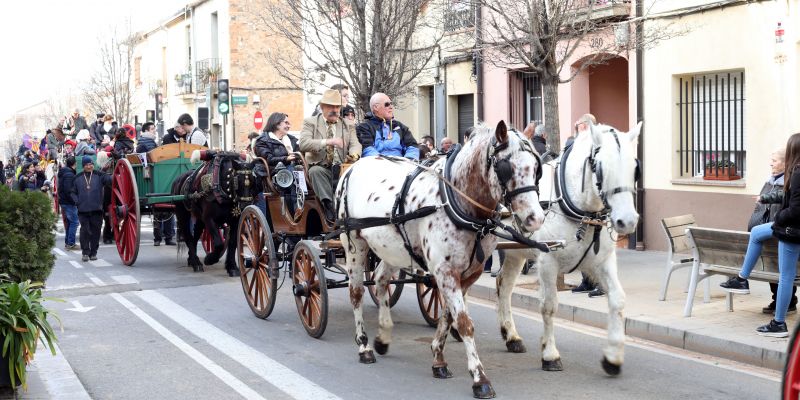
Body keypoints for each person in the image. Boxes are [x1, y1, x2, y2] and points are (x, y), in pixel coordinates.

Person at [720, 133, 800, 337]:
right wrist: (767, 199)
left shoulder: (798, 172)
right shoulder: (795, 172)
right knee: (756, 232)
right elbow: (788, 195)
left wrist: (780, 218)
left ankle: (779, 324)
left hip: (791, 230)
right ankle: (741, 279)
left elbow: (796, 209)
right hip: (787, 226)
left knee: (786, 277)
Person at [298, 89, 362, 222]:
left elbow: (355, 144)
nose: (335, 110)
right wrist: (328, 142)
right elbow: (303, 144)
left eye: (337, 107)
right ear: (322, 107)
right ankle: (329, 206)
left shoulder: (348, 124)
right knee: (316, 171)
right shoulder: (310, 122)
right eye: (331, 106)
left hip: (342, 168)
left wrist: (354, 155)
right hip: (321, 167)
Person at [746, 148, 795, 315]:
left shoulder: (788, 181)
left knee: (783, 270)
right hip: (769, 228)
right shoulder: (771, 180)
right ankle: (779, 303)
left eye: (774, 160)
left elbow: (785, 203)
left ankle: (786, 304)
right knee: (775, 267)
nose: (771, 163)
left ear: (785, 162)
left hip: (780, 229)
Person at [254, 112, 300, 215]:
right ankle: (298, 207)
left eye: (289, 123)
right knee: (294, 171)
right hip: (275, 173)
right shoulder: (262, 141)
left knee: (305, 170)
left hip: (295, 170)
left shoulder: (292, 140)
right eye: (286, 123)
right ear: (277, 124)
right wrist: (286, 158)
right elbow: (268, 159)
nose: (289, 126)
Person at [70, 156, 112, 261]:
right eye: (87, 165)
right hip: (83, 210)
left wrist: (106, 172)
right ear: (84, 166)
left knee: (96, 232)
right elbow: (72, 192)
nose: (90, 166)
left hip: (97, 209)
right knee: (85, 231)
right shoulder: (77, 178)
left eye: (91, 164)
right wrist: (77, 201)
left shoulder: (99, 175)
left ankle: (93, 253)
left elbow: (109, 180)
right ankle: (85, 252)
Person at [357, 92, 419, 160]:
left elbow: (412, 146)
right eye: (387, 104)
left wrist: (409, 160)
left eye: (391, 104)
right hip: (377, 165)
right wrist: (383, 162)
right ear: (376, 107)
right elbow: (367, 149)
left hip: (401, 165)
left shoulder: (400, 126)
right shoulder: (364, 127)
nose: (391, 107)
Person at [58, 156, 80, 250]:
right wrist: (74, 201)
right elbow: (68, 190)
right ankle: (71, 243)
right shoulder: (69, 175)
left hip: (65, 201)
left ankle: (68, 243)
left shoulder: (66, 172)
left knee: (71, 222)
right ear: (74, 164)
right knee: (74, 222)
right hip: (68, 202)